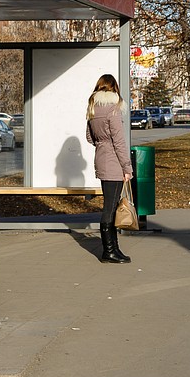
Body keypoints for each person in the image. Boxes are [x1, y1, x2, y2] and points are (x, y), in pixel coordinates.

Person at [85, 74, 133, 264]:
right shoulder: (113, 109)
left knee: (110, 205)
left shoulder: (92, 108)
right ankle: (109, 251)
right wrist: (127, 167)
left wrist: (102, 144)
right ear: (114, 88)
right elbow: (119, 142)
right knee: (110, 207)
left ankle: (114, 248)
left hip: (101, 157)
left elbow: (89, 138)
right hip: (113, 161)